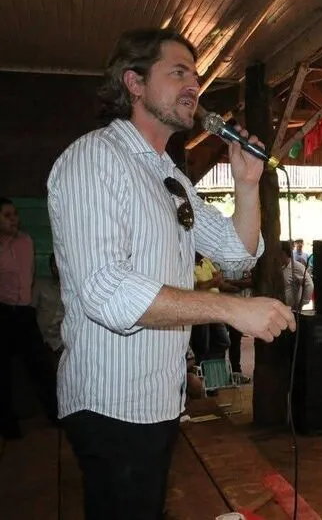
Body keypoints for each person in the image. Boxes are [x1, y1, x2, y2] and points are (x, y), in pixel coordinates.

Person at [47, 28, 296, 520]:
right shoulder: (95, 159)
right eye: (178, 72)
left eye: (197, 77)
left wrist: (247, 186)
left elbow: (236, 254)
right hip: (111, 403)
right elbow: (107, 292)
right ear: (134, 84)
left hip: (158, 399)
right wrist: (230, 309)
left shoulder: (170, 176)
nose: (193, 87)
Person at [0, 198, 59, 439]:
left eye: (15, 214)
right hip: (3, 311)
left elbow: (28, 276)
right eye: (7, 215)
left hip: (24, 311)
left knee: (39, 366)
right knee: (3, 372)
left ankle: (56, 415)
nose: (14, 219)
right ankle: (8, 425)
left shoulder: (26, 241)